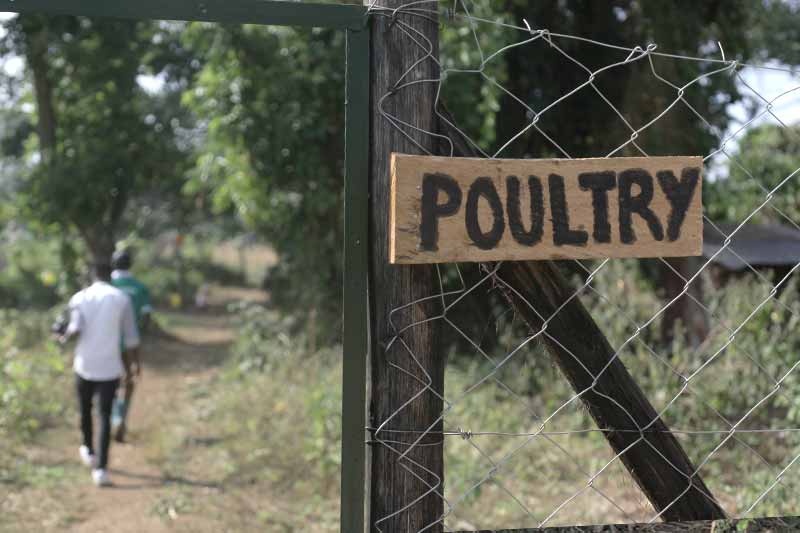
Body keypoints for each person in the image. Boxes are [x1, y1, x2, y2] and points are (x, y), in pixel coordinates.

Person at [59, 262, 140, 487]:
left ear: (92, 275)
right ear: (110, 276)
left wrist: (63, 336)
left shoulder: (79, 298)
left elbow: (74, 329)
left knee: (85, 409)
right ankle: (102, 469)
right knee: (105, 416)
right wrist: (134, 365)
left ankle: (89, 449)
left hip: (84, 365)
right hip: (109, 367)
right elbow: (131, 337)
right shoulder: (121, 298)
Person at [110, 248, 152, 442]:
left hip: (107, 342)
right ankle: (122, 417)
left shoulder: (108, 285)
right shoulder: (140, 287)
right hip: (130, 343)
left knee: (108, 381)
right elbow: (146, 316)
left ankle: (113, 417)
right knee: (129, 379)